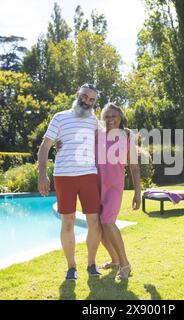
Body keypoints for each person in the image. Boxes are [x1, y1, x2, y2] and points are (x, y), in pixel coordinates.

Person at [37, 83, 102, 281]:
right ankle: (71, 267)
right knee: (68, 222)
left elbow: (105, 141)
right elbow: (45, 147)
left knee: (94, 221)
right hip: (64, 176)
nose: (88, 102)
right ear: (77, 95)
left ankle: (91, 264)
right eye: (85, 97)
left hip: (89, 175)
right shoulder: (60, 117)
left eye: (92, 100)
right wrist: (42, 175)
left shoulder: (93, 121)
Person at [96, 103, 141, 280]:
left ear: (120, 117)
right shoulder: (96, 135)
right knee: (98, 226)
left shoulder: (127, 136)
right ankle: (115, 260)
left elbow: (134, 167)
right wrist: (61, 143)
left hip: (114, 187)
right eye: (106, 116)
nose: (110, 119)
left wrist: (138, 192)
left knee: (107, 221)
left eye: (113, 116)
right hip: (96, 185)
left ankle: (125, 264)